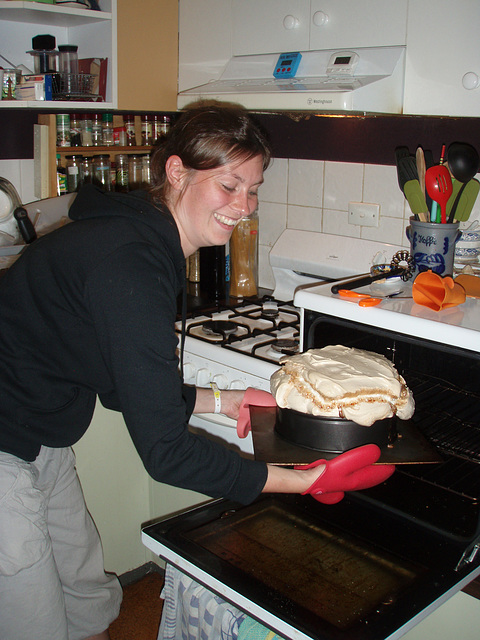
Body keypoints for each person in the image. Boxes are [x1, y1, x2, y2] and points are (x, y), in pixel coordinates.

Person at [0, 101, 394, 640]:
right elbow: (165, 453)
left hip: (38, 432)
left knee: (88, 600)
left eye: (253, 189)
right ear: (177, 173)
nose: (245, 206)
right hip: (5, 443)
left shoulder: (145, 241)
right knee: (32, 621)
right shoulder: (130, 264)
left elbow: (127, 389)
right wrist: (299, 482)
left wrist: (225, 399)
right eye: (229, 185)